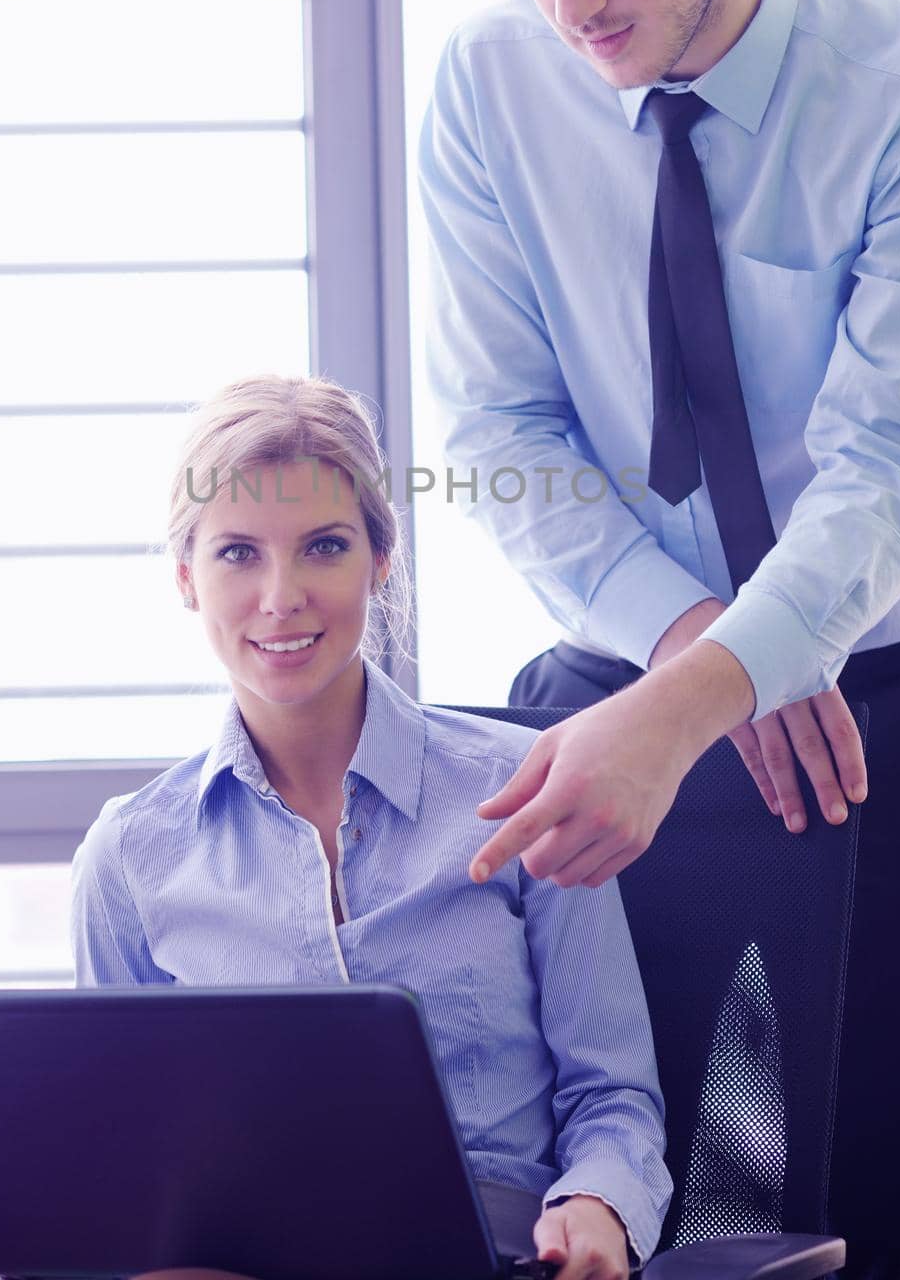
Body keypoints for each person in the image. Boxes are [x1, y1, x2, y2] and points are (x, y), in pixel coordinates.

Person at [418, 0, 900, 1276]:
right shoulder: (487, 87)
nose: (568, 5)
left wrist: (732, 681)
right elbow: (498, 433)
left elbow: (894, 462)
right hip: (618, 657)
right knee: (660, 1165)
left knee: (871, 1176)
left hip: (898, 682)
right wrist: (694, 669)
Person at [69, 373, 671, 1280]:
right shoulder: (130, 857)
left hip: (494, 1260)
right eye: (237, 553)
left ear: (379, 561)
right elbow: (123, 1149)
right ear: (188, 580)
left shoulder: (528, 788)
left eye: (323, 546)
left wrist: (595, 1205)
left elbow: (613, 1094)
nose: (281, 596)